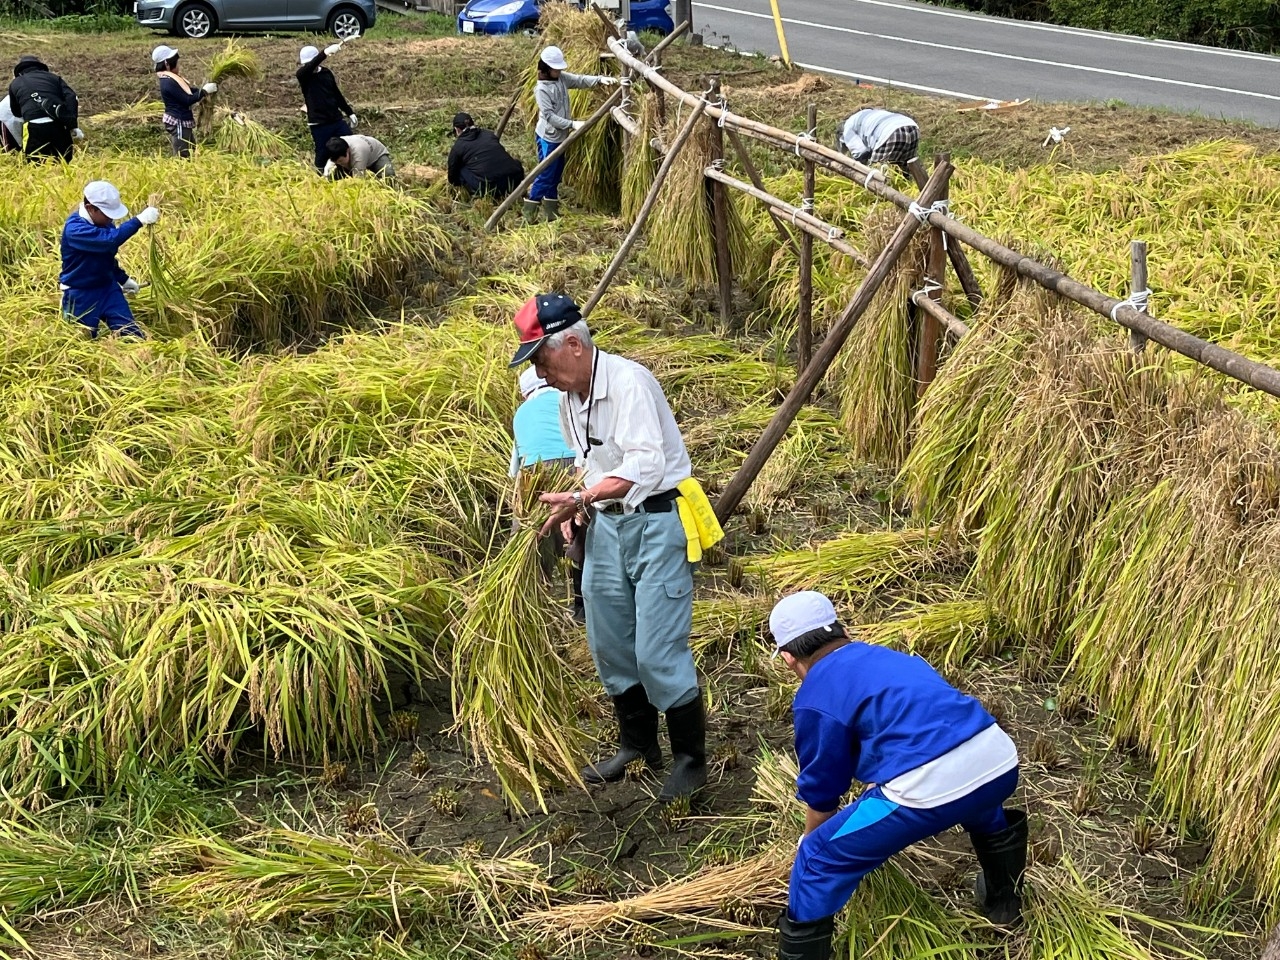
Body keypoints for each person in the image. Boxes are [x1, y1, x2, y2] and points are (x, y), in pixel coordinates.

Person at [510, 292, 720, 802]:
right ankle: (637, 745)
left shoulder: (629, 384)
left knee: (656, 650)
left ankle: (691, 760)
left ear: (574, 345)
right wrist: (574, 509)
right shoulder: (566, 399)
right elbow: (591, 465)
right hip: (607, 529)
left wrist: (583, 494)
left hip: (655, 524)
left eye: (542, 358)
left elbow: (645, 468)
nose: (539, 373)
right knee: (609, 641)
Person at [767, 590, 1027, 960]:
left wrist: (813, 837)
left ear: (789, 657)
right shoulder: (890, 657)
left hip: (928, 789)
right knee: (977, 802)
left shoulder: (815, 692)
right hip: (997, 759)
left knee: (816, 860)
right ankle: (1004, 903)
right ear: (841, 630)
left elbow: (823, 788)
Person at [511, 367, 583, 620]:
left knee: (532, 539)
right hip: (574, 469)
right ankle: (581, 608)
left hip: (534, 474)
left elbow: (516, 468)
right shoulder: (568, 398)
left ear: (527, 392)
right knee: (579, 536)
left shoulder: (521, 413)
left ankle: (534, 605)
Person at [526, 45, 617, 224]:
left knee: (556, 173)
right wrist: (572, 124)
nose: (559, 71)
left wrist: (600, 80)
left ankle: (551, 211)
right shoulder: (542, 89)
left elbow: (579, 80)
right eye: (556, 68)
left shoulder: (560, 79)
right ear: (545, 68)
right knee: (546, 173)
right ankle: (530, 210)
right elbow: (550, 117)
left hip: (561, 137)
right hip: (549, 137)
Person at [60, 181, 160, 340]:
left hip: (108, 289)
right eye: (107, 214)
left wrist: (124, 279)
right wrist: (138, 220)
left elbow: (105, 256)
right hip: (79, 293)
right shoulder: (75, 229)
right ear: (91, 208)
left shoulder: (104, 223)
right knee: (81, 342)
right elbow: (109, 241)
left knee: (131, 335)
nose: (110, 219)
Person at [296, 42, 358, 173]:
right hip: (318, 122)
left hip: (335, 119)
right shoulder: (303, 76)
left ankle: (347, 172)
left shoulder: (326, 73)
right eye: (306, 64)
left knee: (349, 144)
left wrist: (349, 112)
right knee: (323, 151)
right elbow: (310, 66)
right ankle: (320, 176)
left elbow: (336, 94)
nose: (308, 66)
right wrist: (325, 52)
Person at [7, 55, 81, 162]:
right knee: (64, 162)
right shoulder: (54, 77)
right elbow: (71, 97)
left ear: (20, 71)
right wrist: (72, 124)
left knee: (34, 165)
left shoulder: (15, 83)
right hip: (58, 125)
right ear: (40, 67)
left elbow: (16, 112)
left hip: (34, 127)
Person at [151, 45, 218, 158]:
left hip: (182, 120)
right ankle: (179, 173)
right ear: (167, 64)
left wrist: (202, 90)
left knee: (191, 149)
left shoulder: (171, 78)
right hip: (179, 122)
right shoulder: (168, 82)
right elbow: (187, 99)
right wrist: (204, 92)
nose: (179, 66)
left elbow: (189, 91)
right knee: (182, 155)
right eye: (176, 63)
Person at [447, 111, 524, 199]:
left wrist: (460, 183)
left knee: (460, 169)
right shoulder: (489, 134)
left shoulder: (458, 146)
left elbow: (452, 178)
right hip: (515, 180)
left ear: (457, 129)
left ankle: (476, 193)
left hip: (490, 189)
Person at [835, 107, 919, 177]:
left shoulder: (847, 129)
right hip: (912, 128)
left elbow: (861, 153)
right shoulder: (866, 114)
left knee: (877, 176)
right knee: (904, 171)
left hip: (890, 132)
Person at [323, 134, 394, 180]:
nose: (339, 163)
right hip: (352, 155)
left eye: (341, 161)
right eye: (336, 162)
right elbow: (329, 168)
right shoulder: (334, 147)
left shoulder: (358, 154)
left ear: (348, 151)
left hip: (376, 155)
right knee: (335, 177)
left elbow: (358, 181)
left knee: (389, 177)